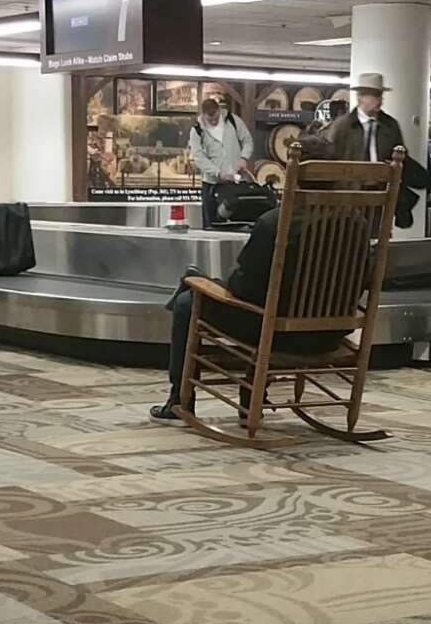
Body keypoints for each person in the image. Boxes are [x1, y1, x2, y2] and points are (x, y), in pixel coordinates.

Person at [150, 136, 348, 423]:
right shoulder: (355, 221)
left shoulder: (275, 222)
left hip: (277, 333)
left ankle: (180, 399)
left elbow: (244, 288)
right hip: (330, 334)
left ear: (294, 172)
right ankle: (253, 392)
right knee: (226, 293)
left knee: (187, 299)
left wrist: (210, 282)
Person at [189, 97, 253, 228]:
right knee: (212, 225)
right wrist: (218, 173)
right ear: (203, 114)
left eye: (215, 117)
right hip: (211, 185)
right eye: (209, 118)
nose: (213, 120)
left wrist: (243, 158)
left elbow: (247, 141)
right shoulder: (197, 131)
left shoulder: (233, 120)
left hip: (236, 183)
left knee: (238, 223)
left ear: (219, 110)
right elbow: (199, 157)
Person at [328, 73, 405, 162]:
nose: (379, 101)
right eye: (374, 95)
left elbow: (402, 157)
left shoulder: (391, 125)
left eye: (380, 95)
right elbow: (331, 159)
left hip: (382, 175)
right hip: (351, 175)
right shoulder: (342, 126)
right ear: (360, 97)